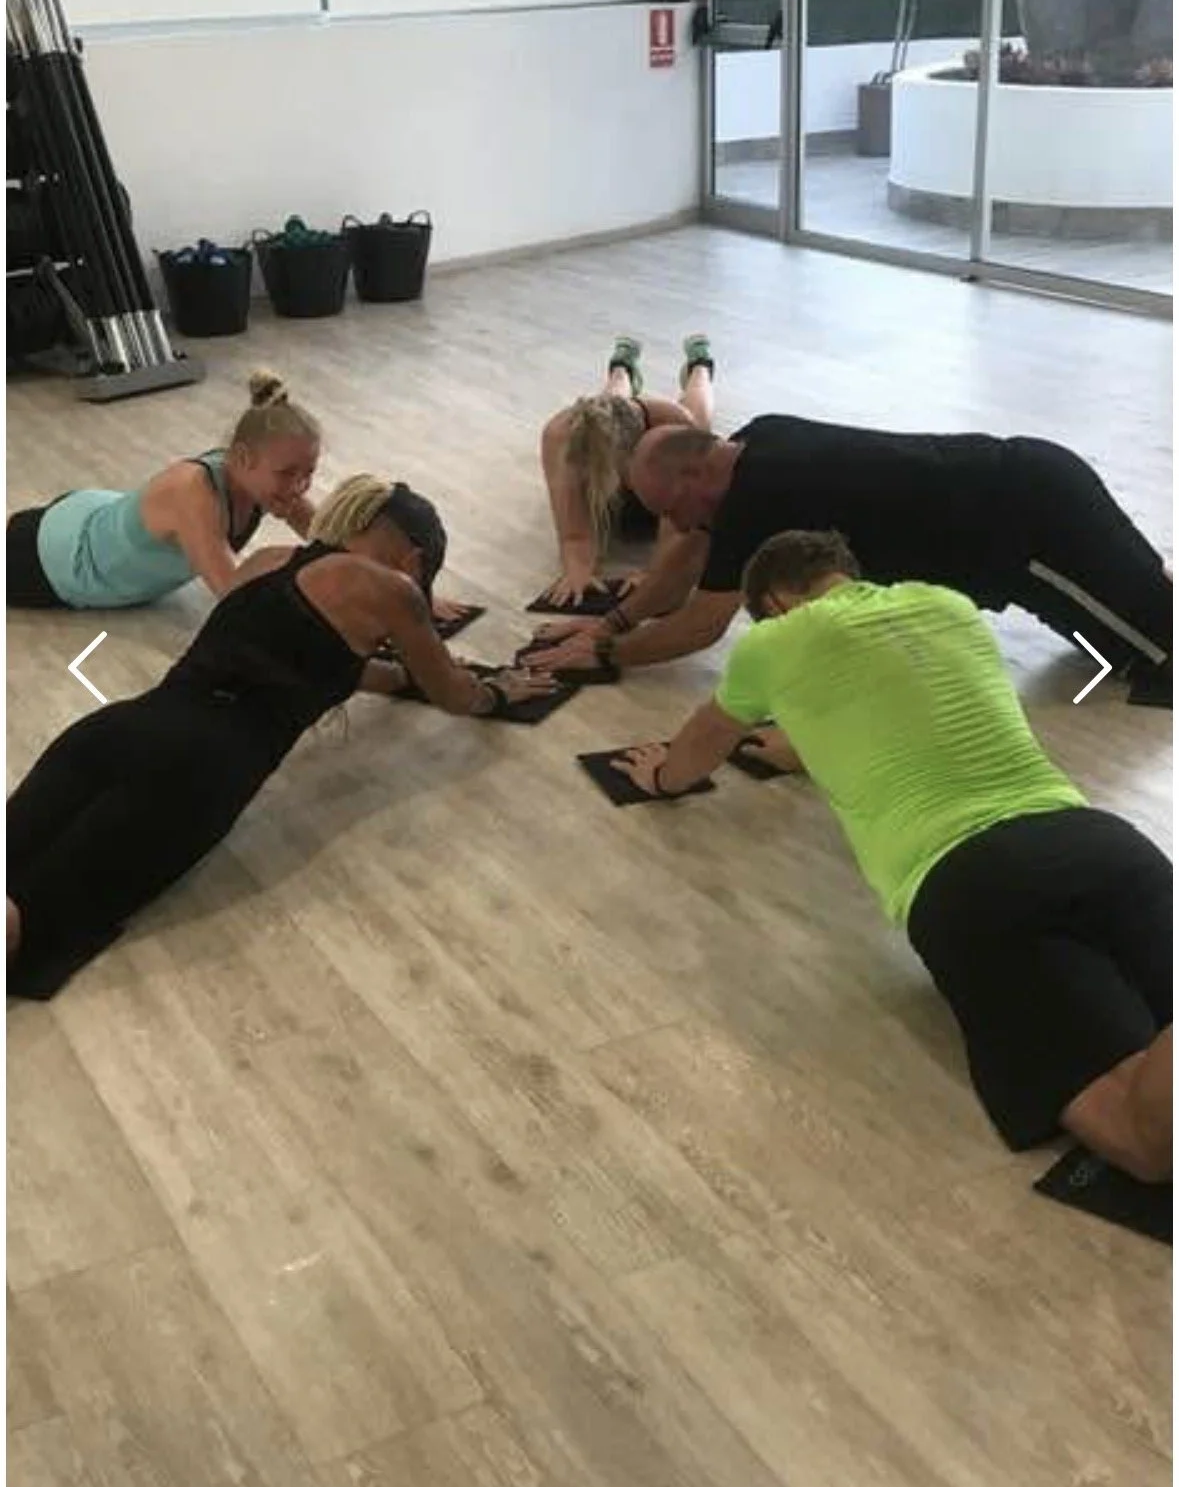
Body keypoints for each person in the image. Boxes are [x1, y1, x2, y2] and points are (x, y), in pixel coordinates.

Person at [613, 529, 1172, 1184]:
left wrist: (659, 776)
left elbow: (697, 750)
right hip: (1099, 842)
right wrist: (801, 743)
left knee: (1144, 1142)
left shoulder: (771, 642)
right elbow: (900, 694)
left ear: (773, 602)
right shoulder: (945, 605)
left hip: (974, 887)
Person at [6, 474, 552, 1001]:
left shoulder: (269, 562)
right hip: (192, 773)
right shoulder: (394, 590)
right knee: (27, 925)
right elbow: (455, 694)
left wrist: (404, 676)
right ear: (413, 561)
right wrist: (498, 691)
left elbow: (315, 661)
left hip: (115, 730)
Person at [529, 413, 1173, 706]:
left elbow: (702, 625)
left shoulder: (760, 494)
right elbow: (686, 562)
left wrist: (607, 656)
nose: (670, 525)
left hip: (1033, 523)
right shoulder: (756, 438)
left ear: (697, 471)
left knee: (1163, 654)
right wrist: (608, 624)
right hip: (1025, 504)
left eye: (669, 505)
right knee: (1109, 655)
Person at [6, 370, 320, 611]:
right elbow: (233, 593)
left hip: (99, 518)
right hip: (56, 558)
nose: (300, 487)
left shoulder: (263, 480)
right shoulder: (194, 492)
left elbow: (330, 537)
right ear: (241, 457)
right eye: (288, 473)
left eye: (308, 474)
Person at [539, 334, 716, 606]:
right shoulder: (560, 436)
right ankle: (622, 367)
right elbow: (573, 532)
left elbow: (684, 519)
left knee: (698, 421)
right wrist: (577, 569)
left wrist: (656, 571)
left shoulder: (672, 425)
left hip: (658, 423)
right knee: (607, 404)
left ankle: (700, 366)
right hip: (608, 422)